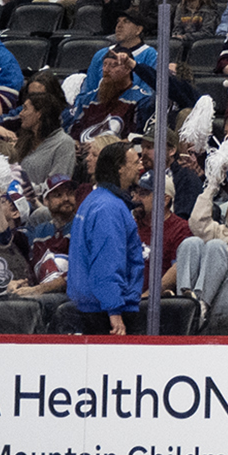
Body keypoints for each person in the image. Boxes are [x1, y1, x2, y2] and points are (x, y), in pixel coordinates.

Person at [63, 140, 146, 334]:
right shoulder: (109, 208)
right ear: (120, 168)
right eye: (135, 162)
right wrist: (114, 310)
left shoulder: (94, 200)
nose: (140, 167)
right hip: (104, 312)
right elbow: (107, 261)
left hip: (91, 305)